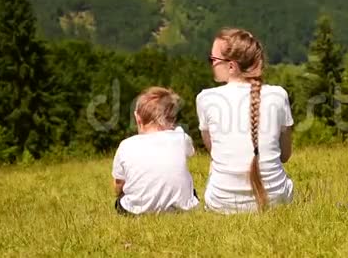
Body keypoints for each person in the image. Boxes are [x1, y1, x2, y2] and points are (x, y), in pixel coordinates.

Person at [197, 28, 294, 213]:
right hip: (277, 200)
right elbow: (285, 155)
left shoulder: (205, 99)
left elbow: (214, 151)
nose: (211, 64)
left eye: (213, 60)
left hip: (221, 203)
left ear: (231, 66)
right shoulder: (278, 95)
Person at [111, 87, 199, 215]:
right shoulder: (181, 137)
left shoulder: (126, 145)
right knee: (192, 191)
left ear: (137, 118)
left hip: (136, 211)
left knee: (120, 200)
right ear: (172, 119)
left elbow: (118, 184)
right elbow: (192, 152)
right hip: (182, 209)